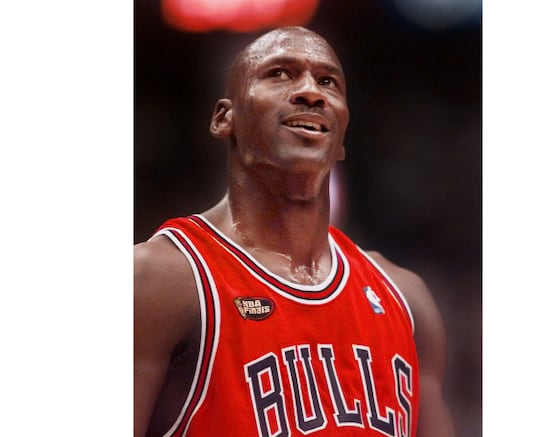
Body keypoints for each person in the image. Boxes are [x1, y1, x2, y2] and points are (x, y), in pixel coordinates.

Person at [134, 26, 455, 437]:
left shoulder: (406, 300)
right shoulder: (159, 279)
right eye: (280, 74)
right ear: (225, 118)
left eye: (327, 82)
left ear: (342, 137)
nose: (310, 92)